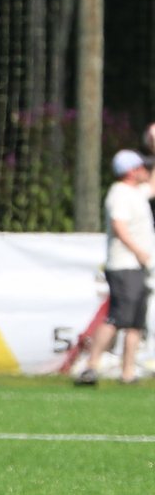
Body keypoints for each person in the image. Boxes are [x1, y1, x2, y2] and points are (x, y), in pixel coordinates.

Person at [75, 149, 154, 385]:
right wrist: (138, 251)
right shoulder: (119, 193)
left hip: (139, 266)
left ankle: (127, 373)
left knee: (136, 323)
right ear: (130, 171)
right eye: (141, 167)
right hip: (124, 265)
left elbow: (152, 186)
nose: (145, 170)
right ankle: (90, 367)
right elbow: (119, 226)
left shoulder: (136, 192)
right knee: (117, 318)